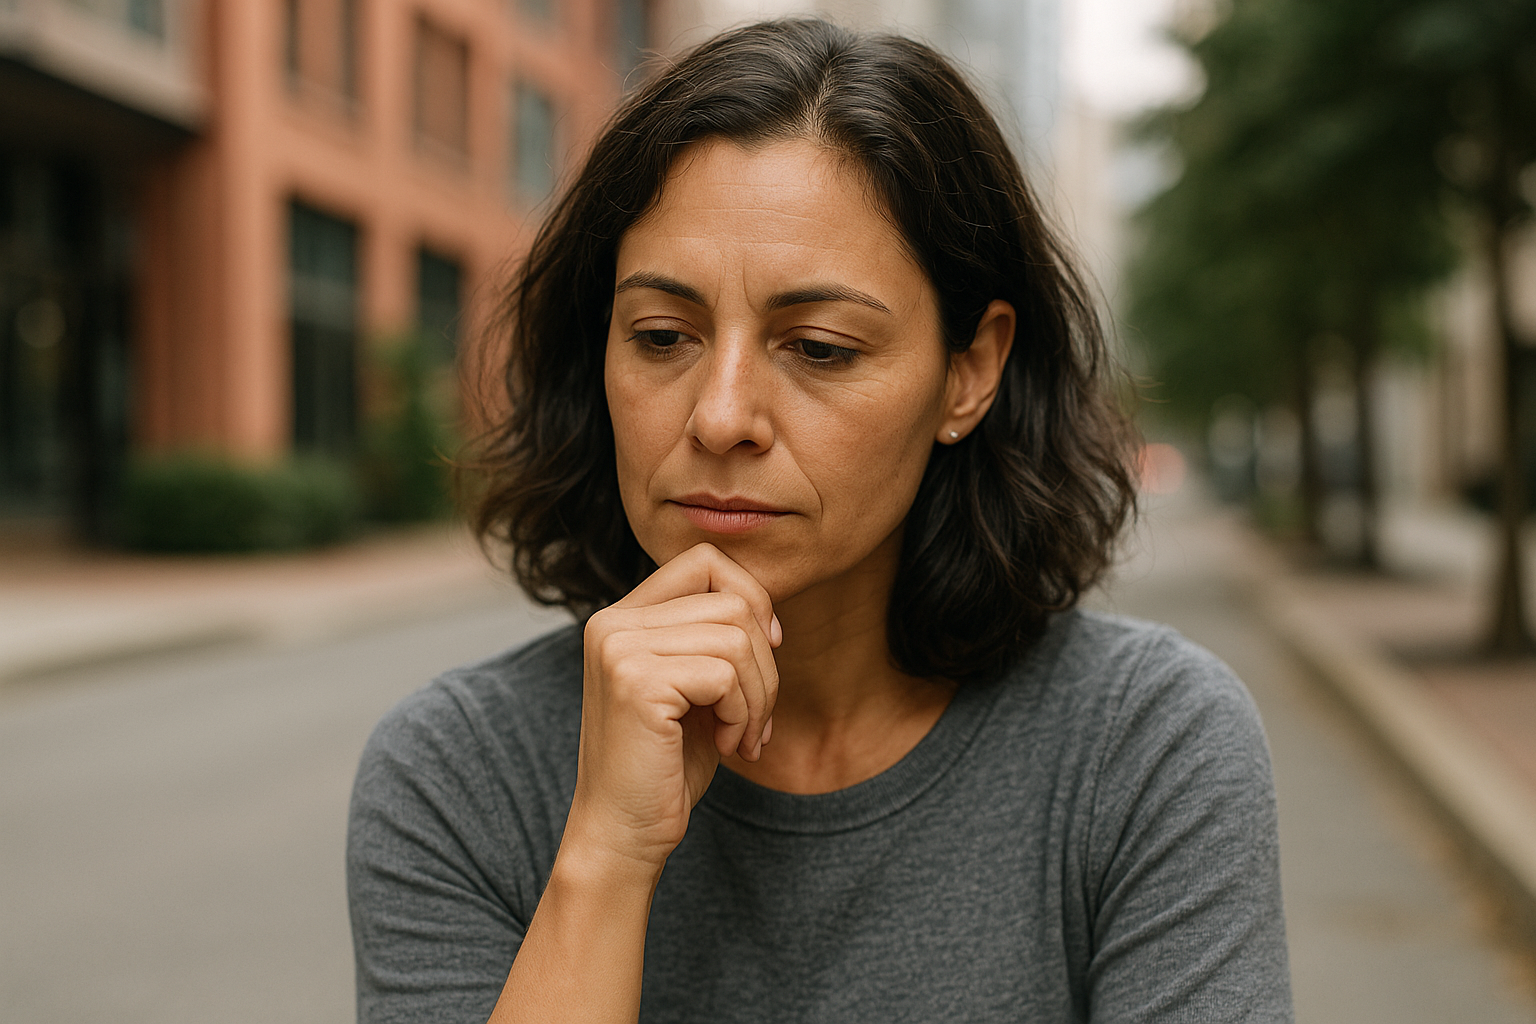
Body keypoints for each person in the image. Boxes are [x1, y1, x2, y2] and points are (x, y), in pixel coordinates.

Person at [347, 19, 1292, 1024]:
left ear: (969, 371)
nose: (719, 415)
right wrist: (607, 857)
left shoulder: (1144, 747)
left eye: (823, 348)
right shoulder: (459, 774)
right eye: (662, 336)